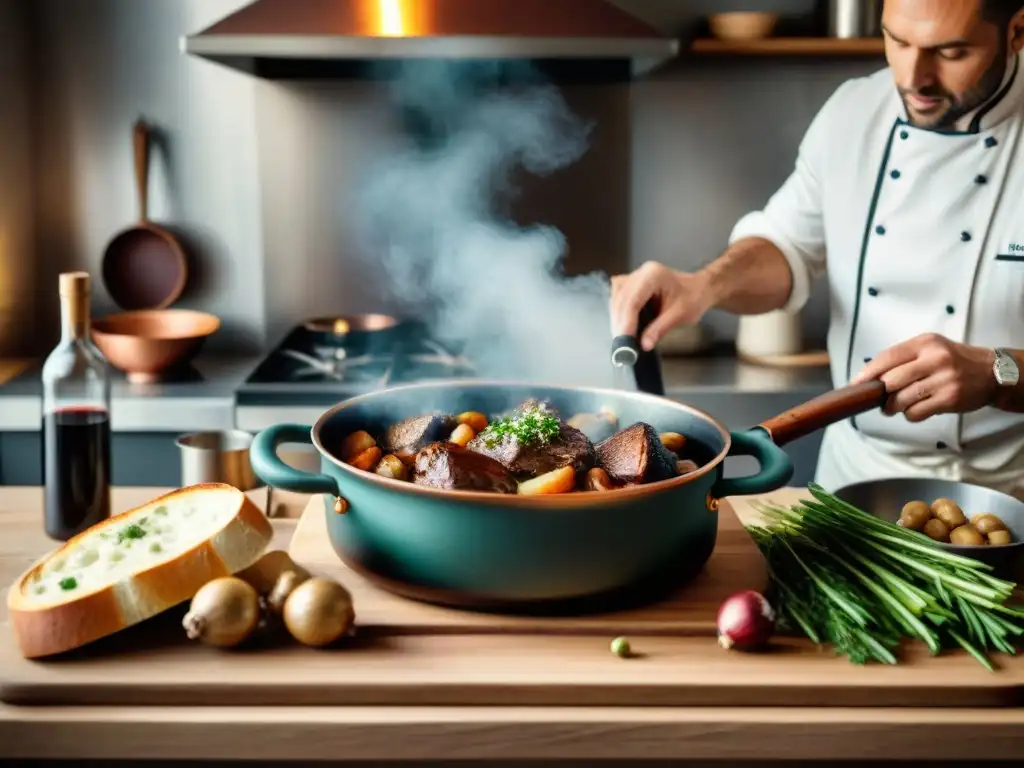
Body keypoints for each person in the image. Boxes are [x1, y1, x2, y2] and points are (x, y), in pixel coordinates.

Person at [610, 0, 1024, 496]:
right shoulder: (854, 111)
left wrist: (999, 372)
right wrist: (702, 286)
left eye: (951, 52)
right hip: (856, 479)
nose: (915, 77)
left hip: (1009, 487)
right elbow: (786, 248)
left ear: (1017, 31)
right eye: (898, 41)